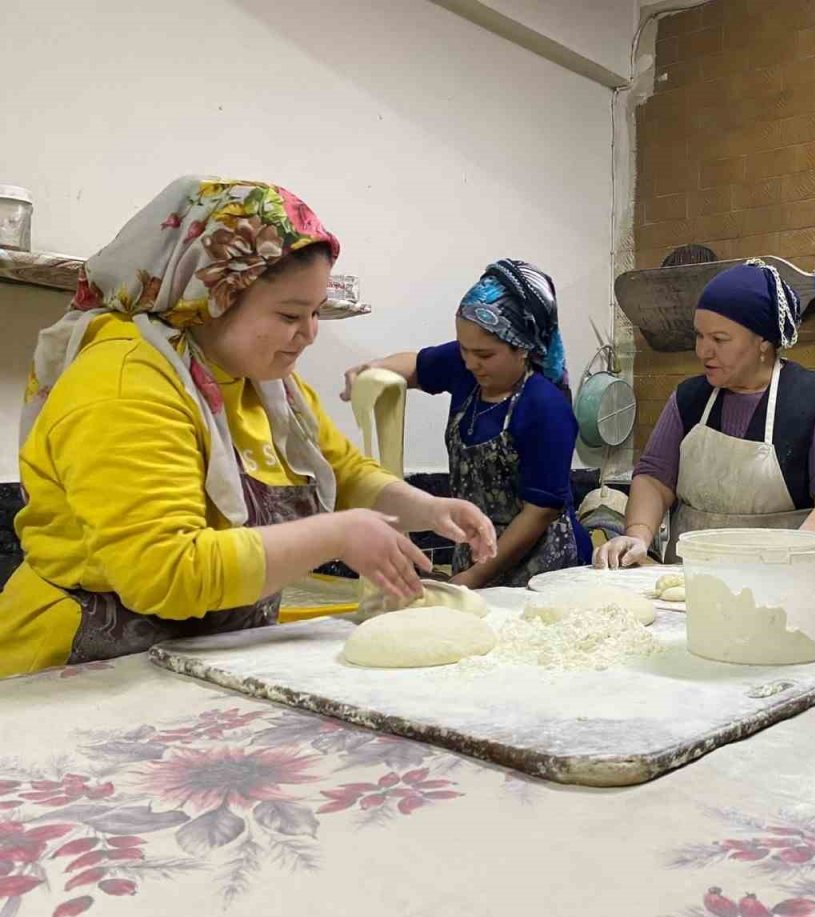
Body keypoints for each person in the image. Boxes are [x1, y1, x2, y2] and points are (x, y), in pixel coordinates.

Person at [0, 177, 495, 677]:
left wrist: (427, 508)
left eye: (316, 312)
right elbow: (164, 572)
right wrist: (335, 535)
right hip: (73, 671)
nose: (308, 335)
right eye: (289, 314)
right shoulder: (126, 382)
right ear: (213, 295)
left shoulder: (267, 385)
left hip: (190, 662)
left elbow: (342, 473)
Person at [595, 259, 815, 569]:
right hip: (695, 578)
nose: (703, 351)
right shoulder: (688, 399)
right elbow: (655, 480)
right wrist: (638, 534)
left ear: (763, 341)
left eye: (719, 340)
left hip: (790, 579)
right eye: (699, 336)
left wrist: (788, 556)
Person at [342, 260, 589, 588]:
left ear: (523, 348)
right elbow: (416, 365)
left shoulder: (545, 407)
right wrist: (371, 370)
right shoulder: (465, 367)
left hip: (539, 565)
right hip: (475, 548)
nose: (471, 362)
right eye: (464, 349)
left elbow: (539, 511)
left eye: (485, 355)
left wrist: (475, 576)